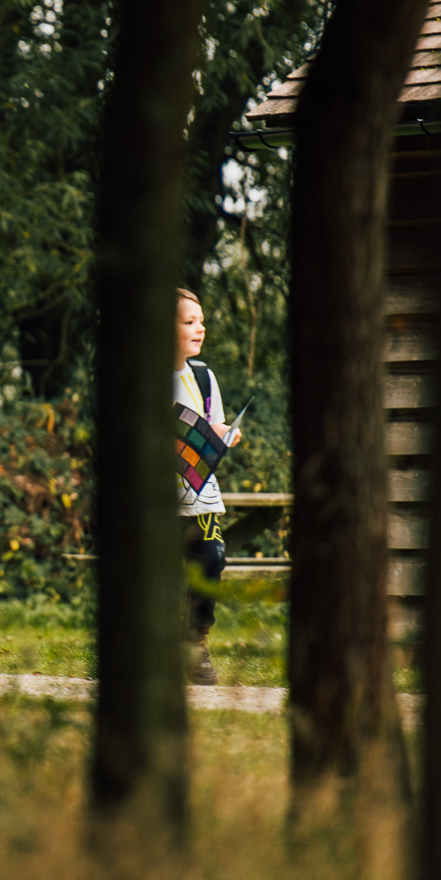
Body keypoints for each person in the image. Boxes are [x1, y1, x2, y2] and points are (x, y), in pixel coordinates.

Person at [175, 288, 242, 685]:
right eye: (188, 322)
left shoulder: (202, 375)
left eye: (201, 321)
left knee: (211, 560)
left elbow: (214, 423)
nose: (200, 328)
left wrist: (226, 434)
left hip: (201, 495)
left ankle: (195, 643)